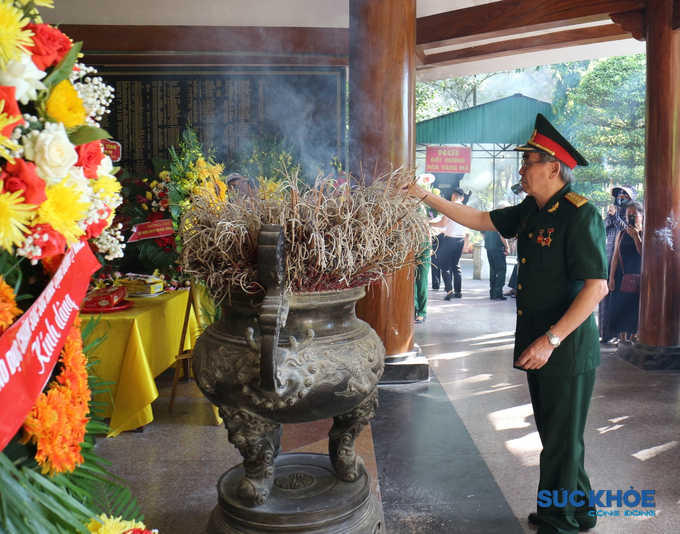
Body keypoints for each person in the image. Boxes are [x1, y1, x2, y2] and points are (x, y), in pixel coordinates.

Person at [406, 113, 608, 534]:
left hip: (564, 346)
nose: (522, 169)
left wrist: (550, 340)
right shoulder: (532, 209)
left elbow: (596, 287)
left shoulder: (579, 214)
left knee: (561, 439)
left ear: (554, 167)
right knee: (559, 436)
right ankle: (579, 509)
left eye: (529, 161)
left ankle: (559, 522)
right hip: (540, 341)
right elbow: (480, 220)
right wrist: (423, 196)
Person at [599, 184, 637, 344]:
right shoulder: (613, 210)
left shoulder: (633, 214)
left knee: (620, 294)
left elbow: (626, 230)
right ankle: (605, 332)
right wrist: (610, 216)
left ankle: (622, 333)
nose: (620, 197)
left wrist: (616, 217)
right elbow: (603, 229)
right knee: (605, 292)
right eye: (619, 194)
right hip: (608, 254)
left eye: (624, 195)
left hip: (623, 257)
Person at [608, 201, 643, 343]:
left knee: (634, 307)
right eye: (629, 215)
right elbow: (616, 255)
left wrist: (636, 236)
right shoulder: (621, 233)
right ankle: (622, 339)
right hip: (621, 274)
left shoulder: (644, 232)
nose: (631, 217)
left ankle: (633, 337)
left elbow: (643, 253)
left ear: (641, 216)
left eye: (634, 214)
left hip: (637, 275)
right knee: (620, 306)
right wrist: (611, 277)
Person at [430, 188, 470, 300]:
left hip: (450, 240)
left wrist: (430, 224)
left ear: (453, 196)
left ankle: (449, 290)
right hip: (460, 240)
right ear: (462, 198)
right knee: (456, 265)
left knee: (445, 266)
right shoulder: (466, 209)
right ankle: (458, 291)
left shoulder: (450, 207)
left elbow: (442, 223)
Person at [483, 214, 510, 300]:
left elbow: (481, 232)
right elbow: (502, 235)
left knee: (493, 270)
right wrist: (507, 246)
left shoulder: (489, 219)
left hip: (489, 247)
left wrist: (487, 240)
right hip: (498, 248)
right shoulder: (501, 219)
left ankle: (492, 292)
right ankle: (498, 292)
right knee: (501, 270)